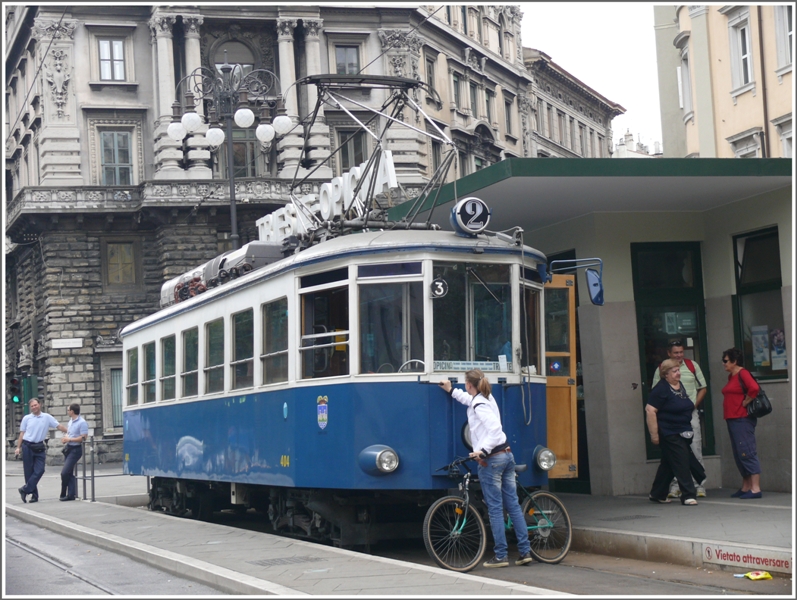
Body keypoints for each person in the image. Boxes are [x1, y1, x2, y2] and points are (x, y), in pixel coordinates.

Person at [439, 369, 533, 568]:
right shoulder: (485, 398)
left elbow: (495, 431)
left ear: (469, 384)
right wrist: (451, 391)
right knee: (513, 506)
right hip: (507, 455)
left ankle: (500, 556)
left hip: (492, 460)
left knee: (496, 509)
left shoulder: (480, 403)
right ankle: (525, 552)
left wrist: (482, 450)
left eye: (465, 383)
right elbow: (469, 400)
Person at [651, 339, 708, 498]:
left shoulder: (692, 366)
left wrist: (693, 406)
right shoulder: (662, 369)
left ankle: (698, 486)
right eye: (675, 352)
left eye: (681, 352)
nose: (679, 355)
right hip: (671, 419)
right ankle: (676, 486)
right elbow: (656, 394)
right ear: (669, 353)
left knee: (694, 447)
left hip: (689, 414)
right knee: (675, 452)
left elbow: (703, 387)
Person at [721, 348, 762, 499]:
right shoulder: (732, 376)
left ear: (734, 361)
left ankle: (755, 488)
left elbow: (754, 388)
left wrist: (746, 401)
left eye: (725, 361)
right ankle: (746, 486)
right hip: (732, 418)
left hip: (742, 418)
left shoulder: (743, 373)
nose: (723, 363)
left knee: (747, 450)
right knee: (739, 453)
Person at [14, 398, 67, 503]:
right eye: (32, 406)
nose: (34, 407)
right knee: (29, 472)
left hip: (39, 446)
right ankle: (34, 495)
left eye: (35, 405)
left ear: (40, 404)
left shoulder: (47, 417)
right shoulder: (27, 418)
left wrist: (70, 431)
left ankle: (24, 490)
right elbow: (22, 433)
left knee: (40, 470)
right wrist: (18, 447)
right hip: (27, 445)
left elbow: (58, 426)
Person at [60, 403, 89, 501]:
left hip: (76, 449)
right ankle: (71, 494)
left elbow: (83, 437)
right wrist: (66, 438)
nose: (67, 412)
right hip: (69, 448)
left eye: (68, 410)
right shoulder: (70, 421)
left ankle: (64, 492)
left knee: (64, 472)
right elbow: (70, 433)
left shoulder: (82, 422)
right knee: (69, 472)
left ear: (72, 411)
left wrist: (70, 440)